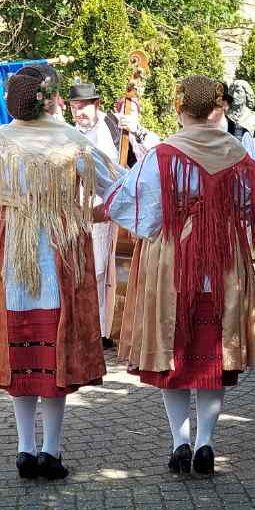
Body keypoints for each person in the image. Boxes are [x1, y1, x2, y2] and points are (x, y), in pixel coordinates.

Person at [0, 65, 122, 481]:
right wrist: (90, 213)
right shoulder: (72, 140)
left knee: (19, 342)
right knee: (54, 345)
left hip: (11, 247)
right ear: (49, 99)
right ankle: (51, 449)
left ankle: (25, 448)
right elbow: (115, 188)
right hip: (59, 247)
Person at [106, 76, 255, 475]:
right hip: (224, 258)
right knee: (214, 354)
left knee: (174, 350)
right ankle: (206, 442)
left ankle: (180, 440)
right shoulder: (238, 153)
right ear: (220, 109)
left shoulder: (162, 153)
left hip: (173, 258)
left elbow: (131, 206)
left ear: (180, 109)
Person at [69, 82, 157, 344]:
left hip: (114, 206)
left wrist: (136, 130)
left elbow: (149, 155)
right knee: (90, 267)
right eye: (74, 107)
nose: (79, 112)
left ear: (96, 105)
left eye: (83, 106)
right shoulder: (71, 133)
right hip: (86, 208)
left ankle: (107, 325)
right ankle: (94, 324)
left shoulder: (115, 127)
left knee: (106, 269)